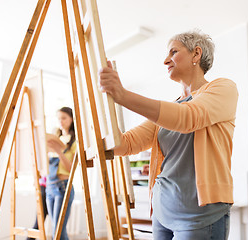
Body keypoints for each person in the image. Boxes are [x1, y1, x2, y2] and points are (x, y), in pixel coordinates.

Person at [99, 30, 238, 239]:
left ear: (196, 54)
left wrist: (124, 96)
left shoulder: (223, 88)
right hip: (162, 215)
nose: (165, 60)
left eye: (173, 52)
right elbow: (124, 145)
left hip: (199, 218)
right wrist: (105, 103)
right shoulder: (171, 110)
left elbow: (188, 118)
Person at [46, 107, 76, 240]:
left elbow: (71, 169)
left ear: (72, 119)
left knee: (57, 231)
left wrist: (59, 151)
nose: (61, 121)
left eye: (64, 118)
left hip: (63, 186)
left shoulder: (76, 142)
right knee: (56, 230)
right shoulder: (55, 138)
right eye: (59, 118)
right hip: (50, 186)